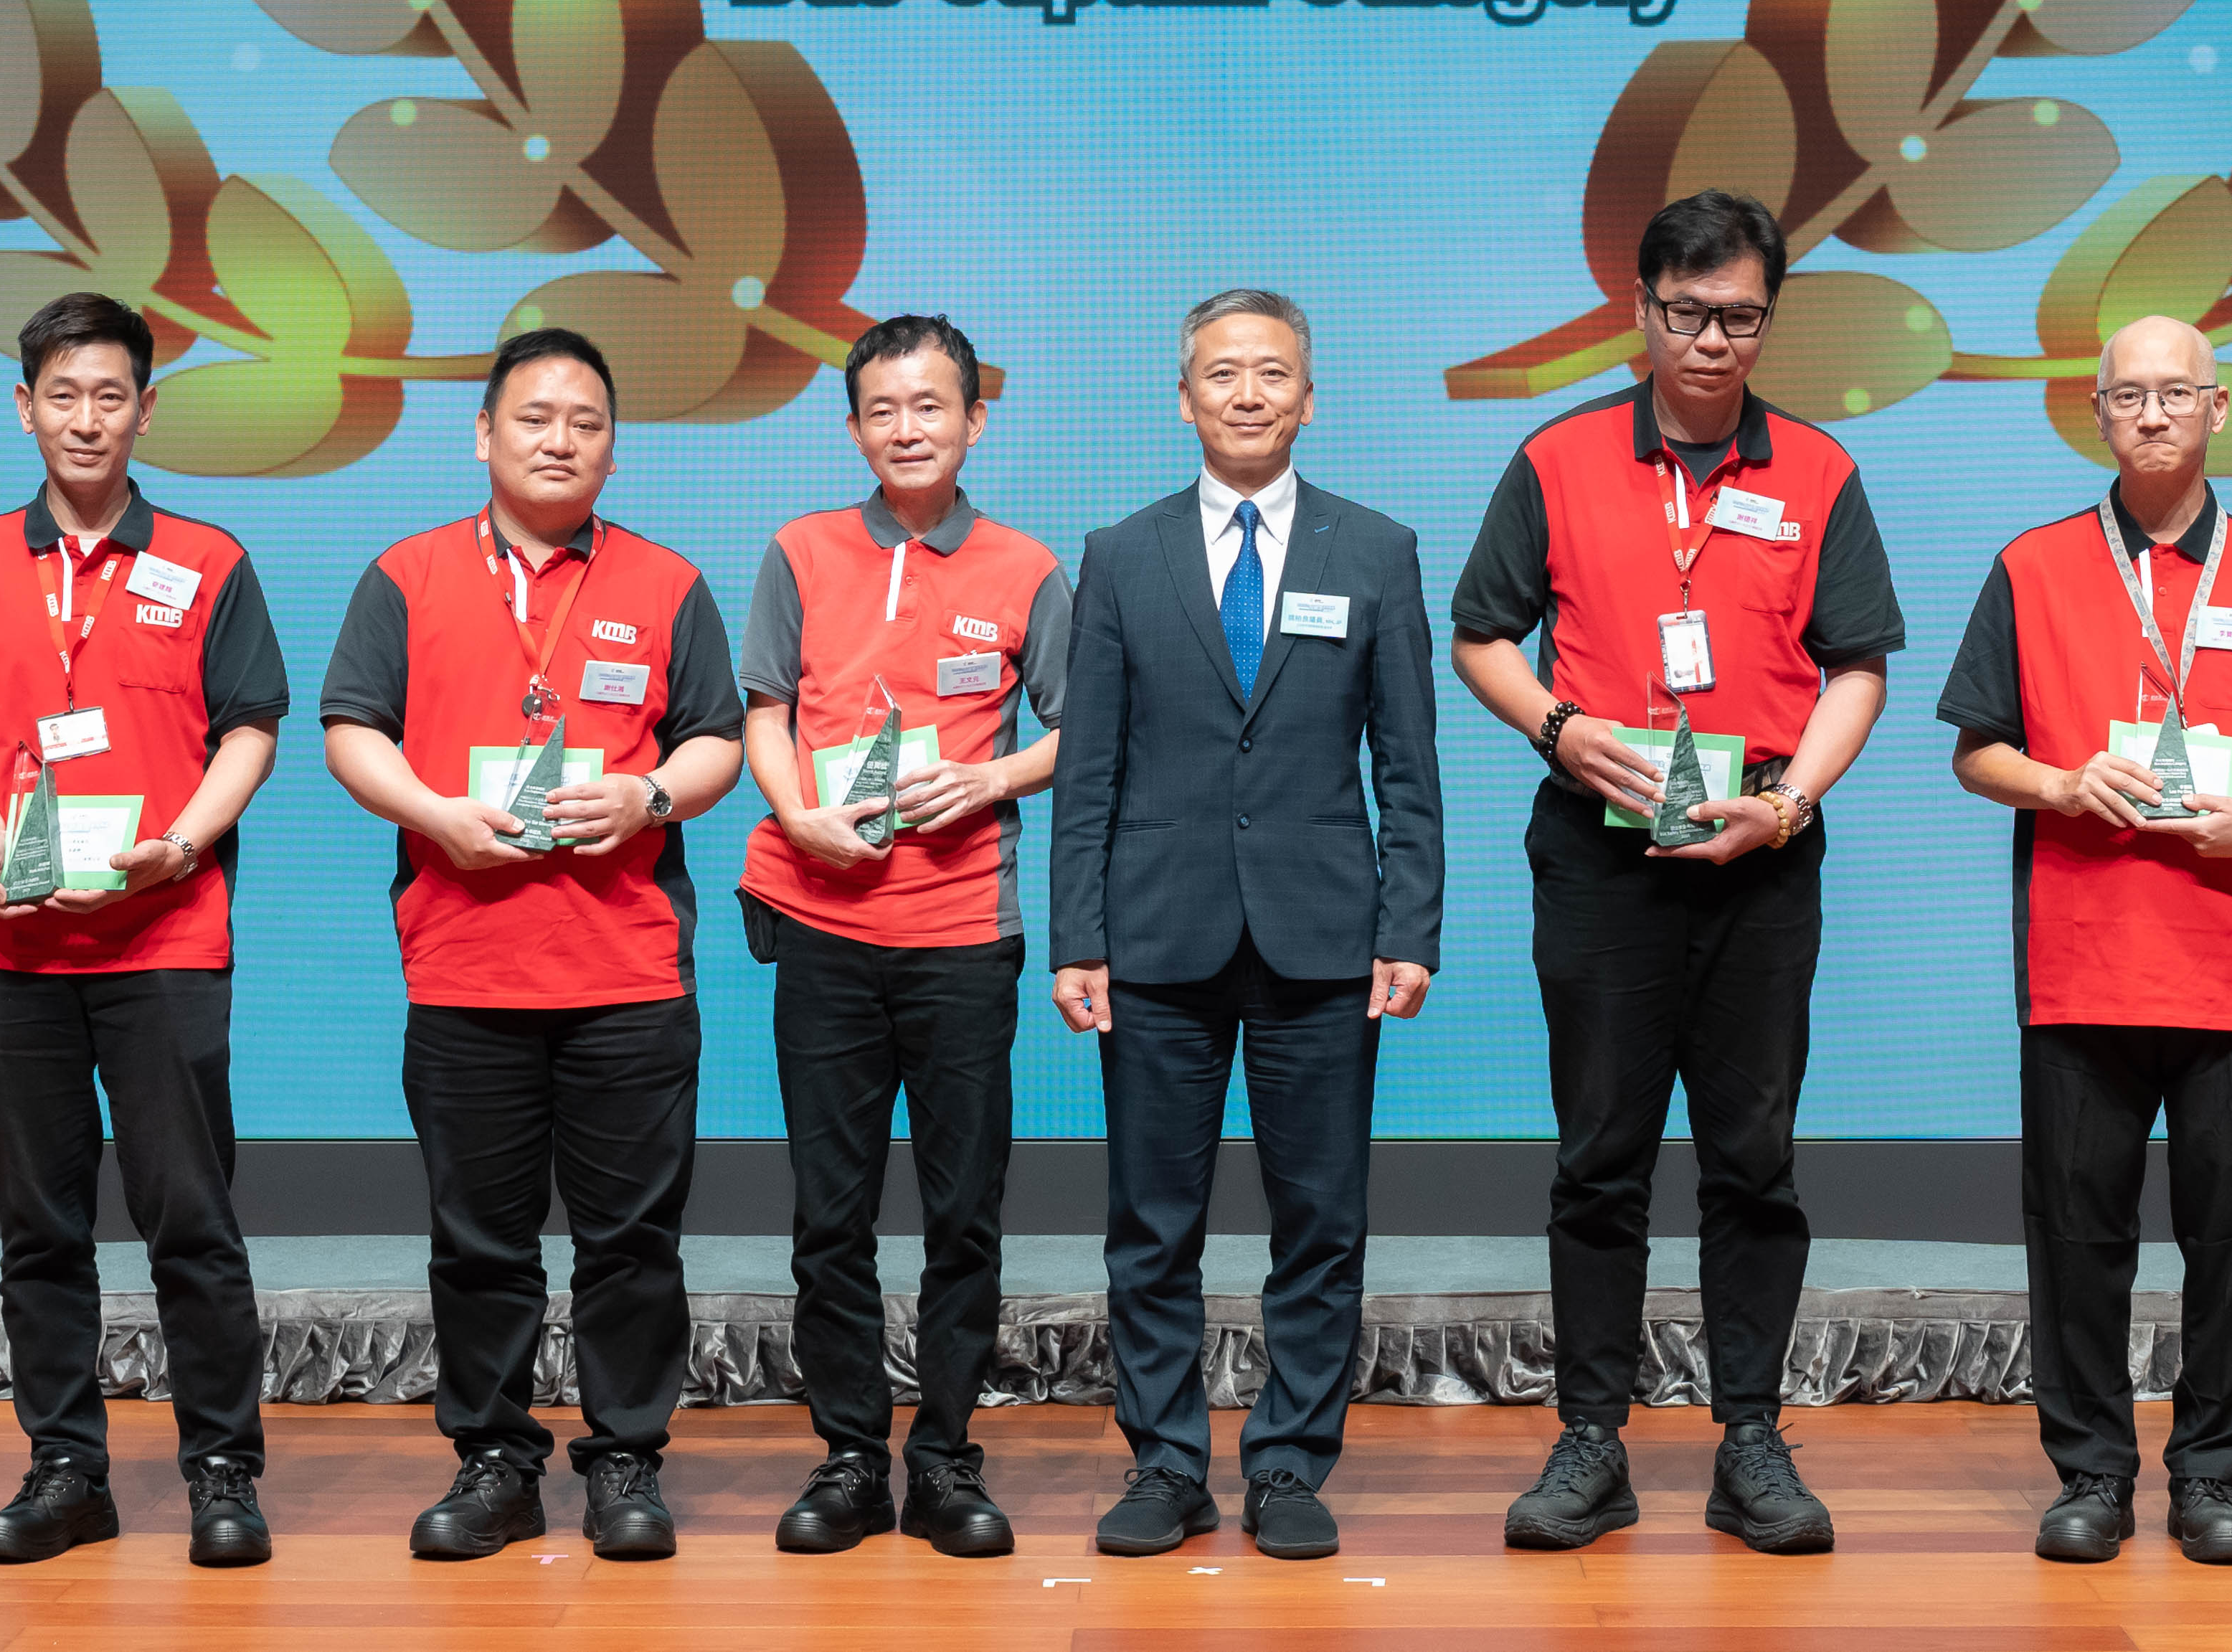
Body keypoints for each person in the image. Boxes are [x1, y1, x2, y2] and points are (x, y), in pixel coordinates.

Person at [1448, 188, 1901, 1556]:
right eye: (1688, 311)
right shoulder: (1560, 456)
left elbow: (1860, 664)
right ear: (1642, 310)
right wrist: (1560, 728)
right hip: (1603, 858)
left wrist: (1793, 804)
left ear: (1770, 319)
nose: (1713, 339)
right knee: (1600, 1156)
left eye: (1741, 315)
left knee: (1753, 1158)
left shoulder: (1816, 472)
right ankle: (1592, 1437)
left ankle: (1751, 1436)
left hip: (1760, 858)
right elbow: (1478, 633)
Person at [1938, 313, 2232, 1570]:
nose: (2150, 413)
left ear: (2218, 409)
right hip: (2081, 961)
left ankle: (2211, 1475)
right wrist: (2060, 786)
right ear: (2095, 412)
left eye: (2174, 392)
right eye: (2126, 394)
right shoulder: (2032, 568)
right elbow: (1975, 749)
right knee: (2077, 1236)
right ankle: (2089, 1473)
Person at [319, 329, 746, 1564]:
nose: (560, 439)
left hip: (627, 971)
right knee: (480, 1239)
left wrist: (649, 798)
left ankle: (626, 1462)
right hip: (464, 965)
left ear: (614, 444)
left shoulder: (664, 583)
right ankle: (495, 1460)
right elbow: (354, 728)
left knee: (632, 1241)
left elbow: (714, 736)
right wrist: (435, 814)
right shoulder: (406, 575)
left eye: (587, 421)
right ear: (484, 434)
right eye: (535, 417)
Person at [1046, 290, 1443, 1564]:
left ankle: (1286, 1463)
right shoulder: (1121, 552)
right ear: (1185, 399)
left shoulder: (1375, 550)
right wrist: (1075, 934)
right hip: (1154, 941)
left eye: (1275, 372)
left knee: (1319, 1219)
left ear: (1310, 396)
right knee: (1150, 1223)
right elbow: (1089, 766)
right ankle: (1167, 1461)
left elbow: (1410, 767)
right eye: (1223, 373)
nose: (1250, 392)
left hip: (1325, 941)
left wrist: (1411, 922)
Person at [0, 290, 287, 1571]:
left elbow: (249, 729)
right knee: (40, 1225)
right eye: (61, 394)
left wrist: (180, 839)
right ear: (25, 408)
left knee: (192, 1219)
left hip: (162, 937)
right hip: (1, 946)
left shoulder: (211, 561)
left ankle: (222, 1474)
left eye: (109, 394)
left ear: (146, 409)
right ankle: (68, 1469)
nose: (85, 418)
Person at [734, 312, 1072, 1560]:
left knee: (961, 1212)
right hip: (820, 919)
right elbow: (764, 712)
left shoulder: (1027, 567)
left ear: (975, 418)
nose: (909, 427)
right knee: (830, 1213)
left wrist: (989, 785)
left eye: (933, 405)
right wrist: (798, 813)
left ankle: (944, 1458)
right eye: (884, 409)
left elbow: (1079, 728)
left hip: (960, 930)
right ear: (854, 428)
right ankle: (845, 1456)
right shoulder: (801, 549)